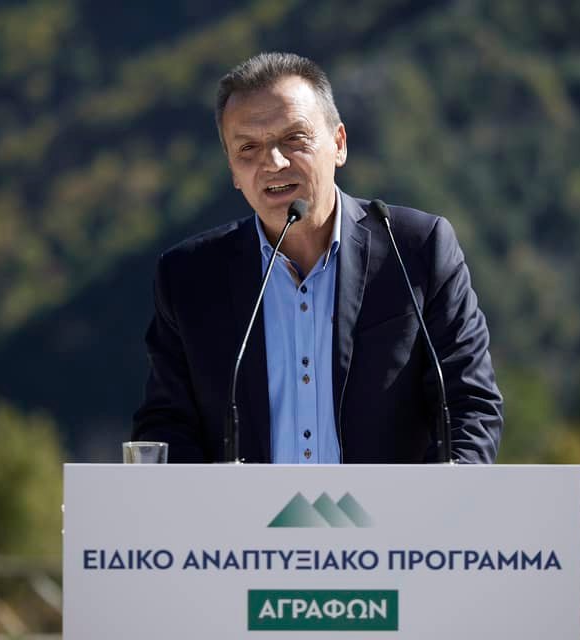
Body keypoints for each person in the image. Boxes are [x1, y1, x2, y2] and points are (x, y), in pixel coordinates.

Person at [131, 52, 502, 463]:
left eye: (294, 139)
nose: (273, 163)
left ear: (338, 144)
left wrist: (436, 499)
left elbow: (470, 406)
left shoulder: (416, 249)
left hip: (393, 507)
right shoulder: (189, 277)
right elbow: (166, 426)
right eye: (248, 148)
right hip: (240, 508)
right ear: (234, 172)